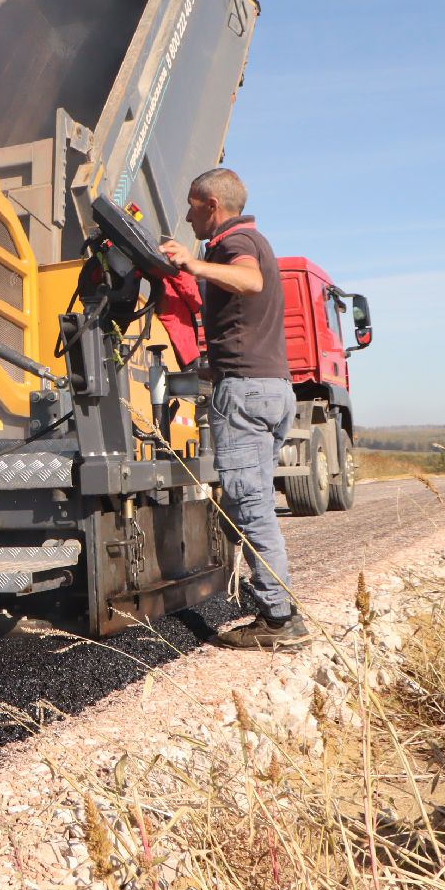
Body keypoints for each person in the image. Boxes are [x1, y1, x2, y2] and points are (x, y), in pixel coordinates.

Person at [159, 168, 306, 650]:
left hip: (246, 394)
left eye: (191, 206)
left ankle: (278, 620)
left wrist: (193, 264)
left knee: (252, 505)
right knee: (257, 502)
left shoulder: (233, 244)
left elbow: (250, 281)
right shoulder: (255, 239)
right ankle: (280, 608)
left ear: (211, 205)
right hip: (273, 388)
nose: (188, 217)